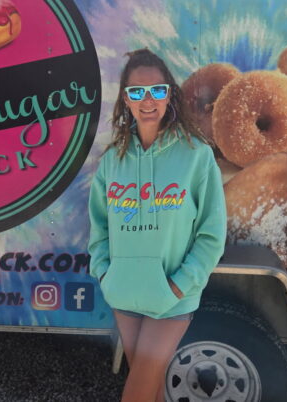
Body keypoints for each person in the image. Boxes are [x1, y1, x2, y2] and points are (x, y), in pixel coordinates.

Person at [88, 48, 227, 402]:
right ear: (125, 98)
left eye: (156, 90)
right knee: (149, 391)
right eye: (137, 92)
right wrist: (106, 273)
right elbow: (99, 228)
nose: (147, 100)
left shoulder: (196, 155)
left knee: (135, 395)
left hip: (172, 299)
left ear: (169, 94)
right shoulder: (113, 160)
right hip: (124, 293)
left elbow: (212, 234)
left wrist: (181, 285)